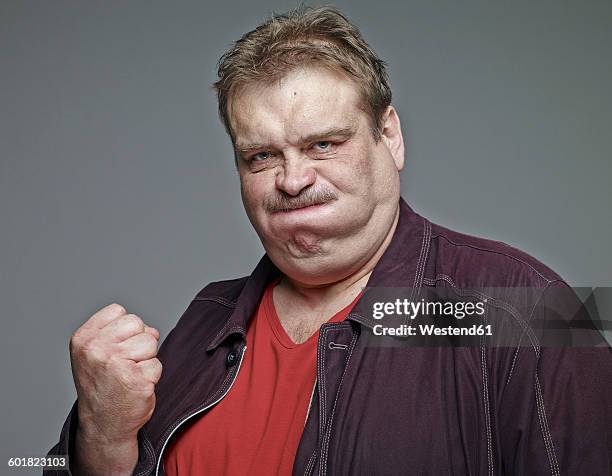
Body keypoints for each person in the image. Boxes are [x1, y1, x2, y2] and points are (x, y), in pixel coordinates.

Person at [46, 6, 611, 475]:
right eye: (262, 156)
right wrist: (100, 438)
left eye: (323, 144)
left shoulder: (528, 304)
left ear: (388, 136)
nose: (292, 181)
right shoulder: (205, 318)